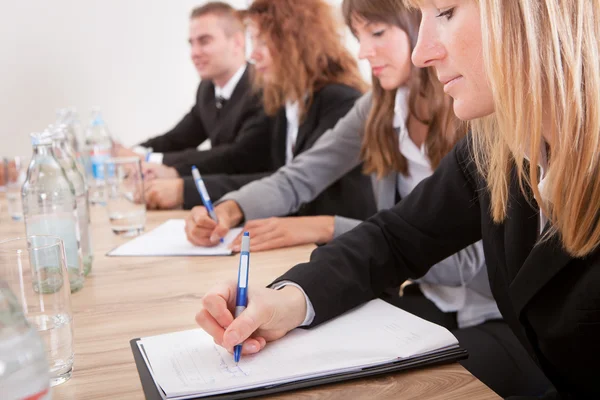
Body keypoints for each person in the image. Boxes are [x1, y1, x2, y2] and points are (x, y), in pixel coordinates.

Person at [193, 0, 600, 398]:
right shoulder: (493, 147)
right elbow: (396, 237)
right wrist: (287, 301)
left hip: (494, 328)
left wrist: (322, 226)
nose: (423, 52)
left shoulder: (471, 123)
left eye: (445, 12)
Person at [145, 0, 376, 222]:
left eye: (262, 43)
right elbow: (272, 176)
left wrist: (187, 189)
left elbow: (299, 186)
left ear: (296, 43)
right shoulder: (286, 102)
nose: (253, 55)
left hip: (336, 244)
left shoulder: (340, 101)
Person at [114, 2, 262, 171]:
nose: (194, 53)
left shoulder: (262, 89)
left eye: (204, 41)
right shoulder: (207, 89)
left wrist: (148, 159)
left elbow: (234, 156)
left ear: (237, 42)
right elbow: (178, 139)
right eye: (191, 43)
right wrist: (132, 152)